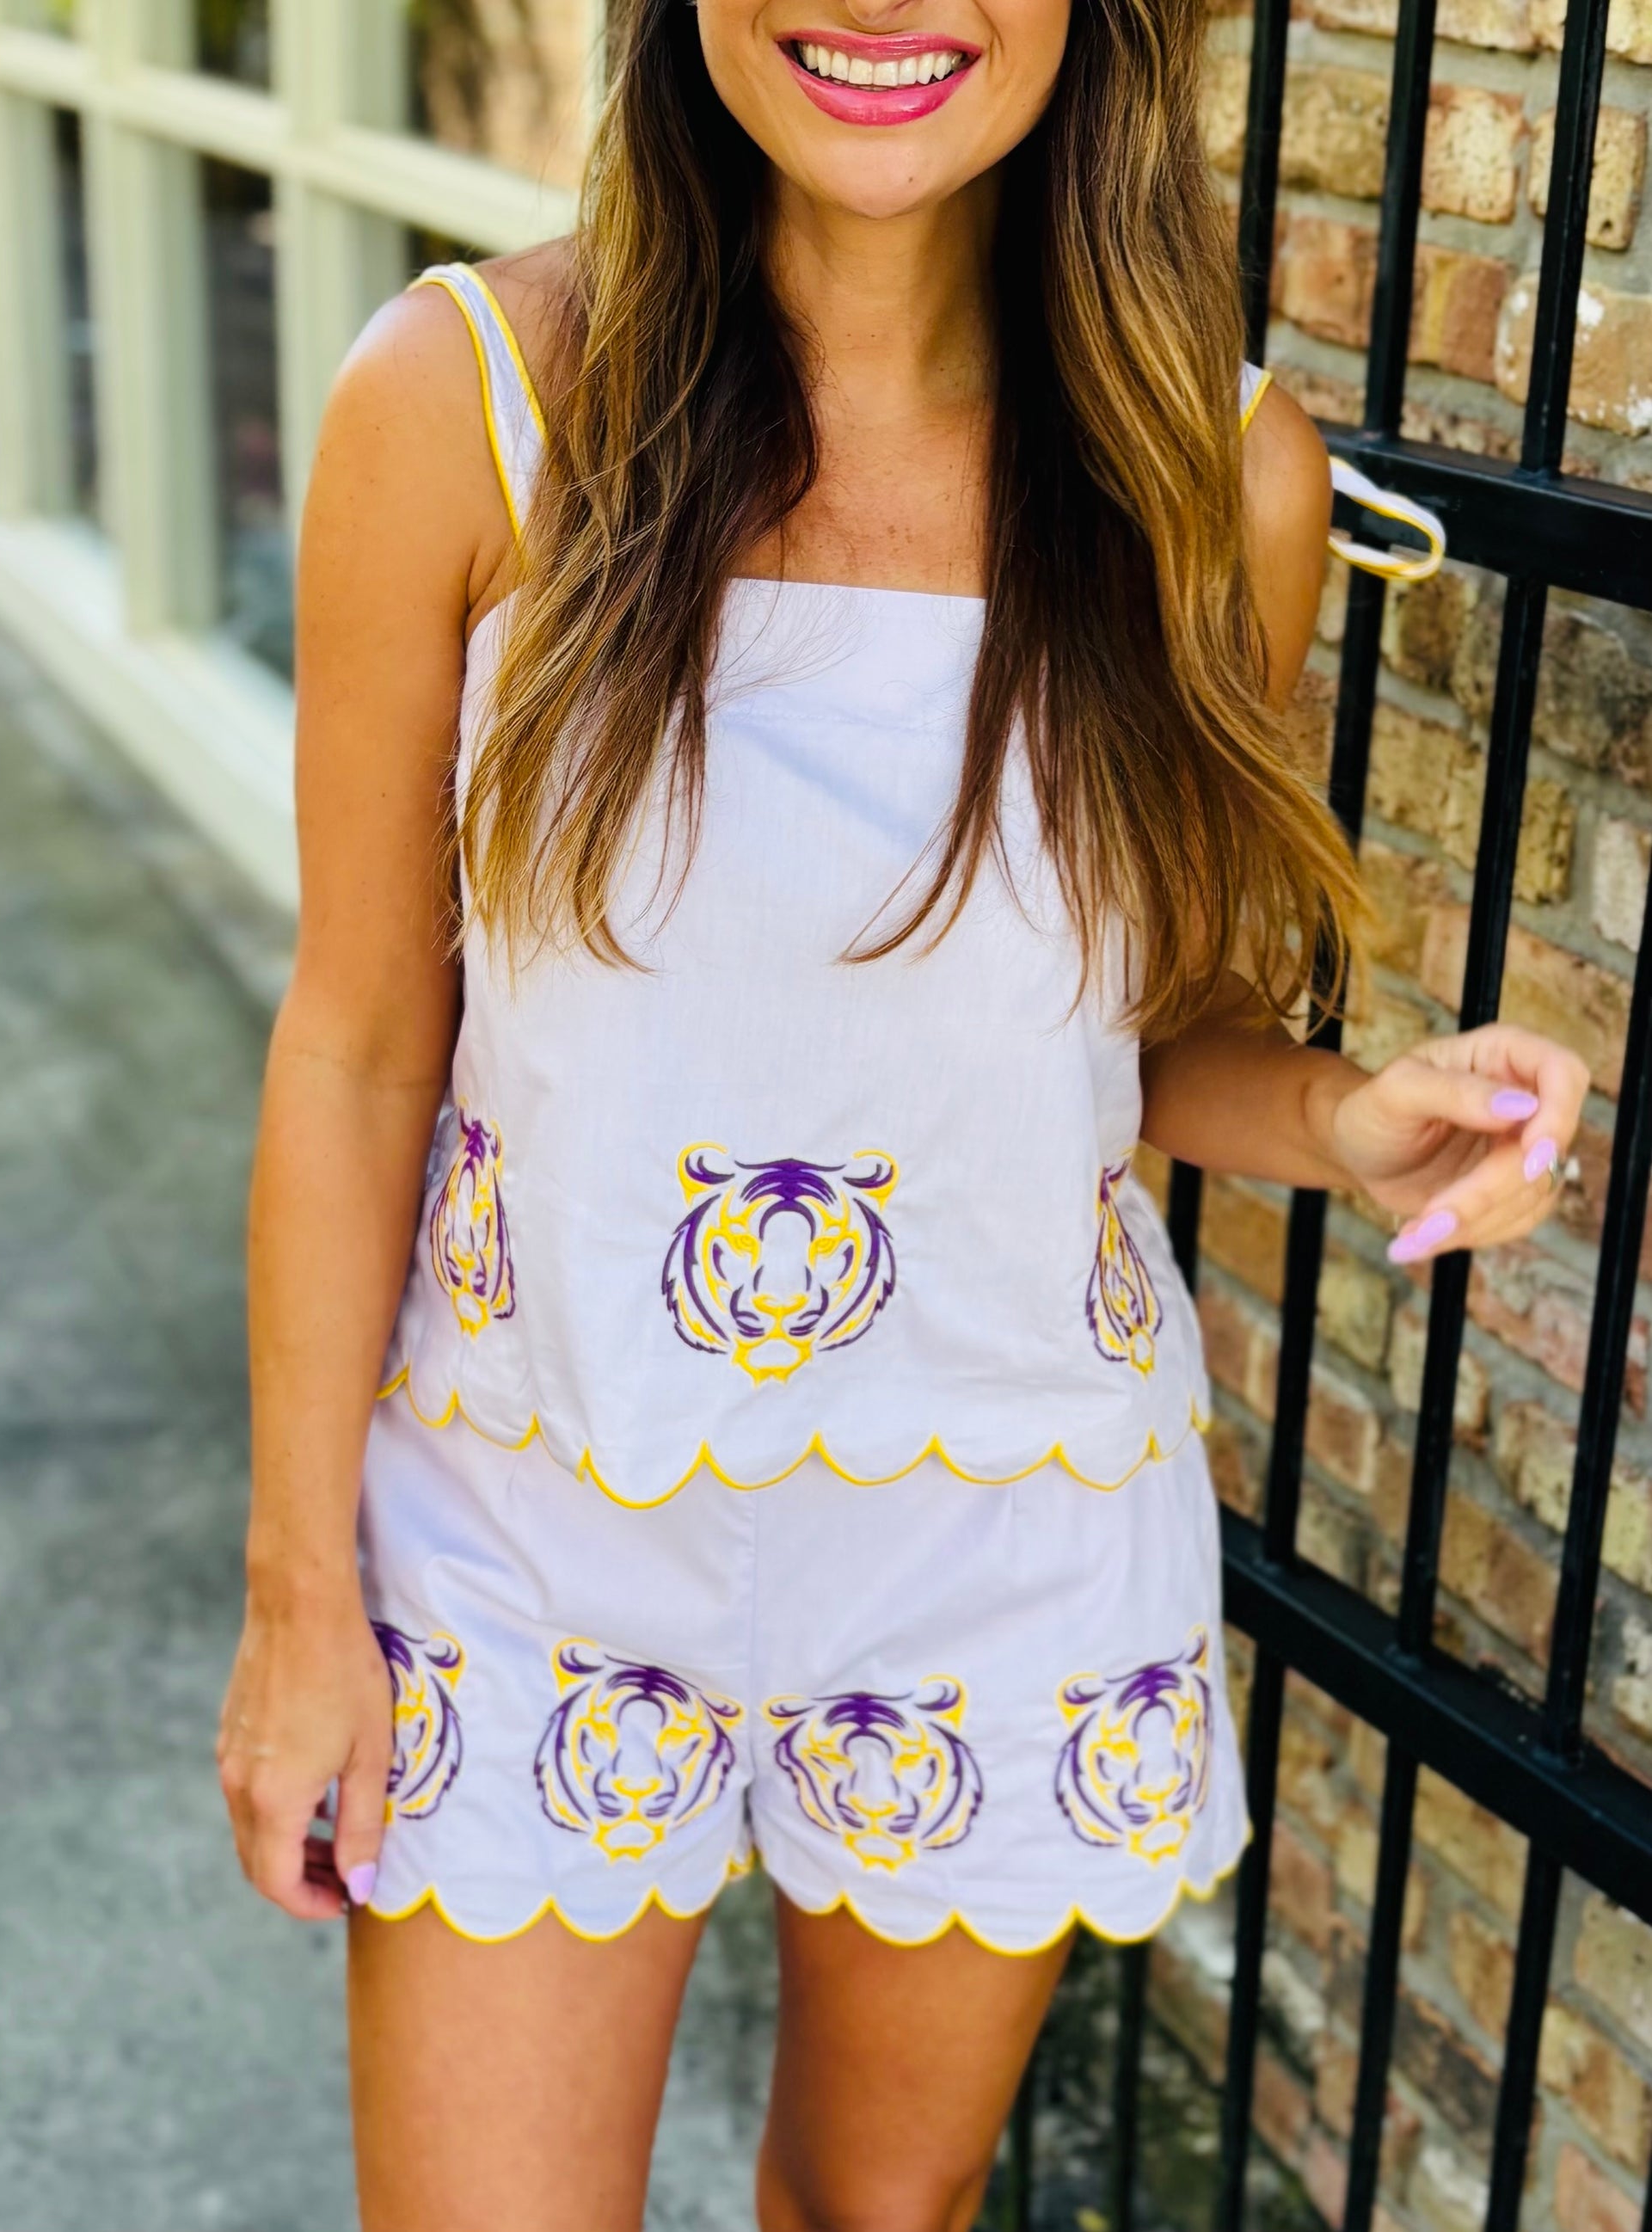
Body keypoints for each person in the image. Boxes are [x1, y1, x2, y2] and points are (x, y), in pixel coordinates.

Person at [216, 0, 1588, 2219]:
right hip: (527, 1519)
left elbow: (1145, 1035)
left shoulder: (1214, 472)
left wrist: (1351, 1118)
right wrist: (299, 1601)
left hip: (1000, 1528)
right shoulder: (464, 400)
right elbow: (362, 1039)